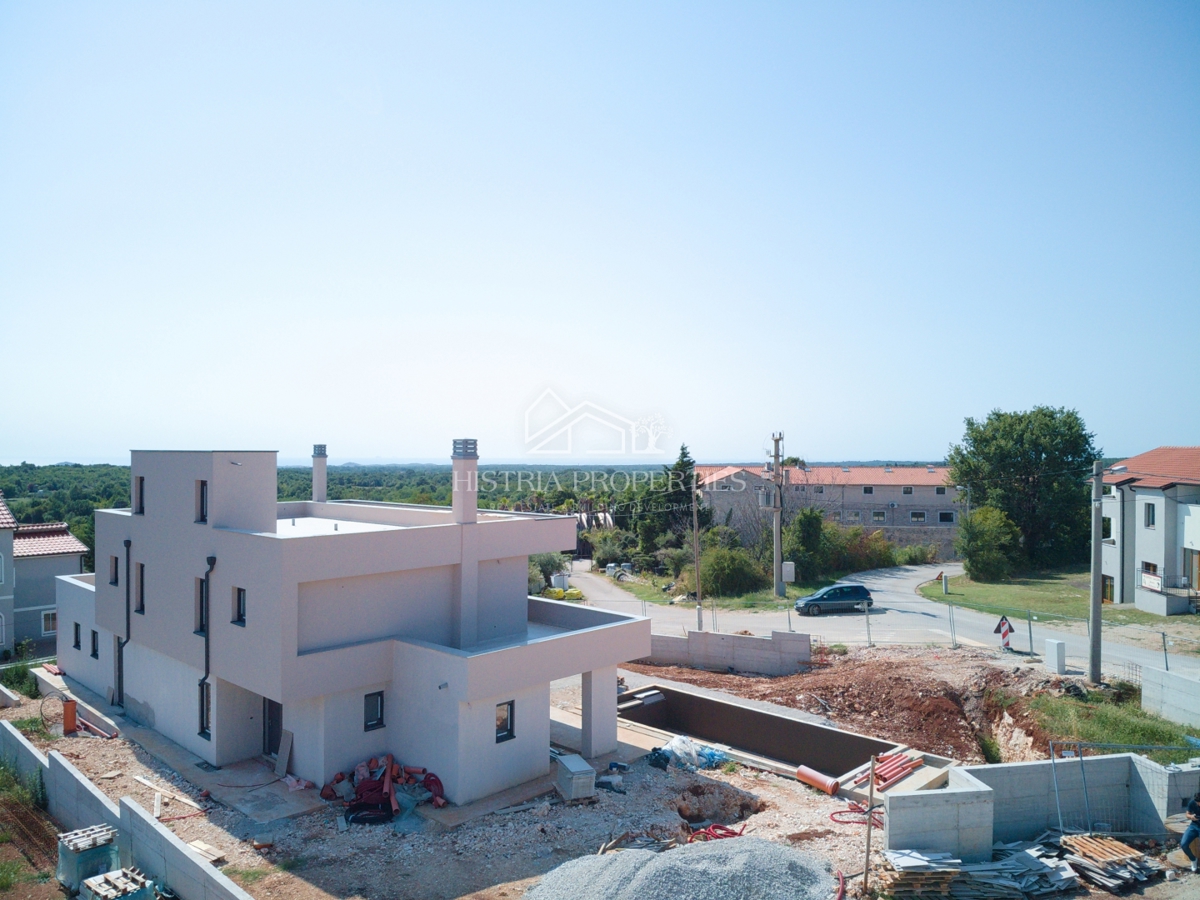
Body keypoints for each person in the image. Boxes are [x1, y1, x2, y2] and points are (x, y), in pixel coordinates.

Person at [1182, 791, 1200, 873]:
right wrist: (1191, 817)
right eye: (1198, 802)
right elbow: (1187, 814)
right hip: (1194, 825)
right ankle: (1193, 860)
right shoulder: (1192, 802)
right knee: (1184, 844)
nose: (1199, 804)